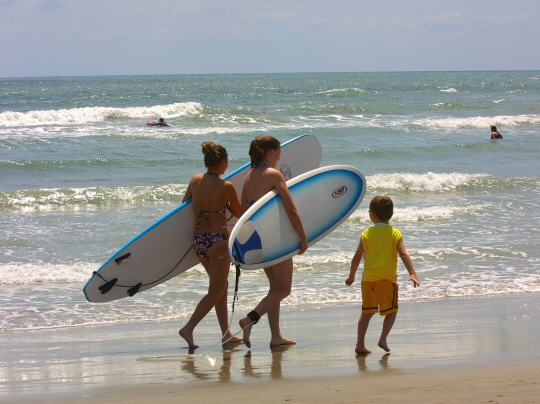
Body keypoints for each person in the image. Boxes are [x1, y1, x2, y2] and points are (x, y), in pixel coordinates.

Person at [238, 136, 309, 348]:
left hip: (258, 239)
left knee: (275, 288)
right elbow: (292, 209)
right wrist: (303, 238)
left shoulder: (250, 177)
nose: (280, 155)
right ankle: (249, 319)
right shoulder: (273, 174)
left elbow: (243, 214)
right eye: (278, 151)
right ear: (270, 152)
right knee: (284, 289)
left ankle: (276, 336)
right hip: (275, 239)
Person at [179, 142, 242, 349]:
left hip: (199, 242)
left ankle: (226, 335)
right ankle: (188, 328)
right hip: (219, 243)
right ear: (223, 163)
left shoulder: (195, 180)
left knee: (221, 287)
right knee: (216, 291)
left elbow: (184, 205)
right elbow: (239, 213)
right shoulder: (227, 186)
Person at [346, 196, 420, 355]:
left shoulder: (366, 234)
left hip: (368, 280)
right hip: (386, 279)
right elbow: (404, 254)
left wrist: (351, 276)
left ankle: (360, 344)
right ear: (391, 214)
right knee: (391, 311)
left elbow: (357, 257)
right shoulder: (395, 233)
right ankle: (383, 339)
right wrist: (413, 273)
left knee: (367, 312)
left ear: (372, 215)